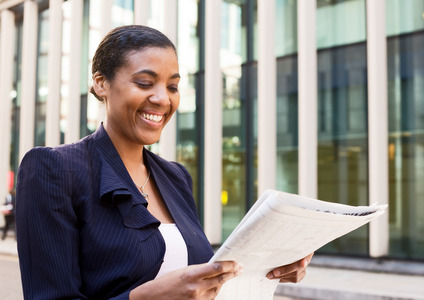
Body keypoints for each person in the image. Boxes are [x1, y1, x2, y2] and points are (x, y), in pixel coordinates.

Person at [15, 25, 313, 299]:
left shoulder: (176, 176)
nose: (162, 99)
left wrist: (269, 264)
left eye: (172, 87)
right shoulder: (53, 169)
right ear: (101, 83)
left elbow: (199, 278)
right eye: (145, 83)